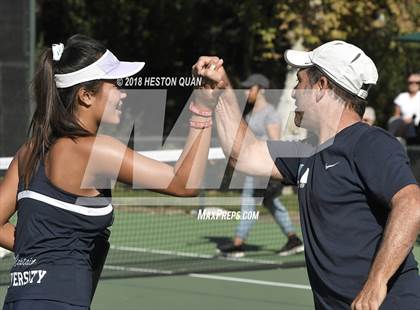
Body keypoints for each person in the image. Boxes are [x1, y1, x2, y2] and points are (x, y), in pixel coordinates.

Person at [193, 40, 420, 310]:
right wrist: (222, 89)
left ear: (321, 86)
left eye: (300, 82)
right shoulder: (308, 151)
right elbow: (243, 154)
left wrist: (376, 282)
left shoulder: (370, 142)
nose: (293, 93)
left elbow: (411, 203)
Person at [0, 34, 219, 310]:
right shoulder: (96, 151)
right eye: (115, 84)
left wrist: (40, 252)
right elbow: (185, 183)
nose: (123, 92)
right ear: (86, 95)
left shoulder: (28, 151)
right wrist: (204, 104)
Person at [218, 74, 303, 257]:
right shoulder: (249, 114)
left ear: (261, 89)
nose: (247, 91)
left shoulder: (270, 113)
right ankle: (293, 239)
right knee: (271, 202)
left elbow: (275, 142)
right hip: (253, 167)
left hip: (264, 167)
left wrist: (272, 172)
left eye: (251, 88)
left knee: (249, 201)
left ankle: (238, 243)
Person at [388, 73, 420, 144]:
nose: (413, 84)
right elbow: (396, 115)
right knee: (394, 122)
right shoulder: (402, 97)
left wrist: (412, 119)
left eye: (417, 82)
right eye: (411, 82)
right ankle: (390, 141)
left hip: (416, 126)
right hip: (403, 125)